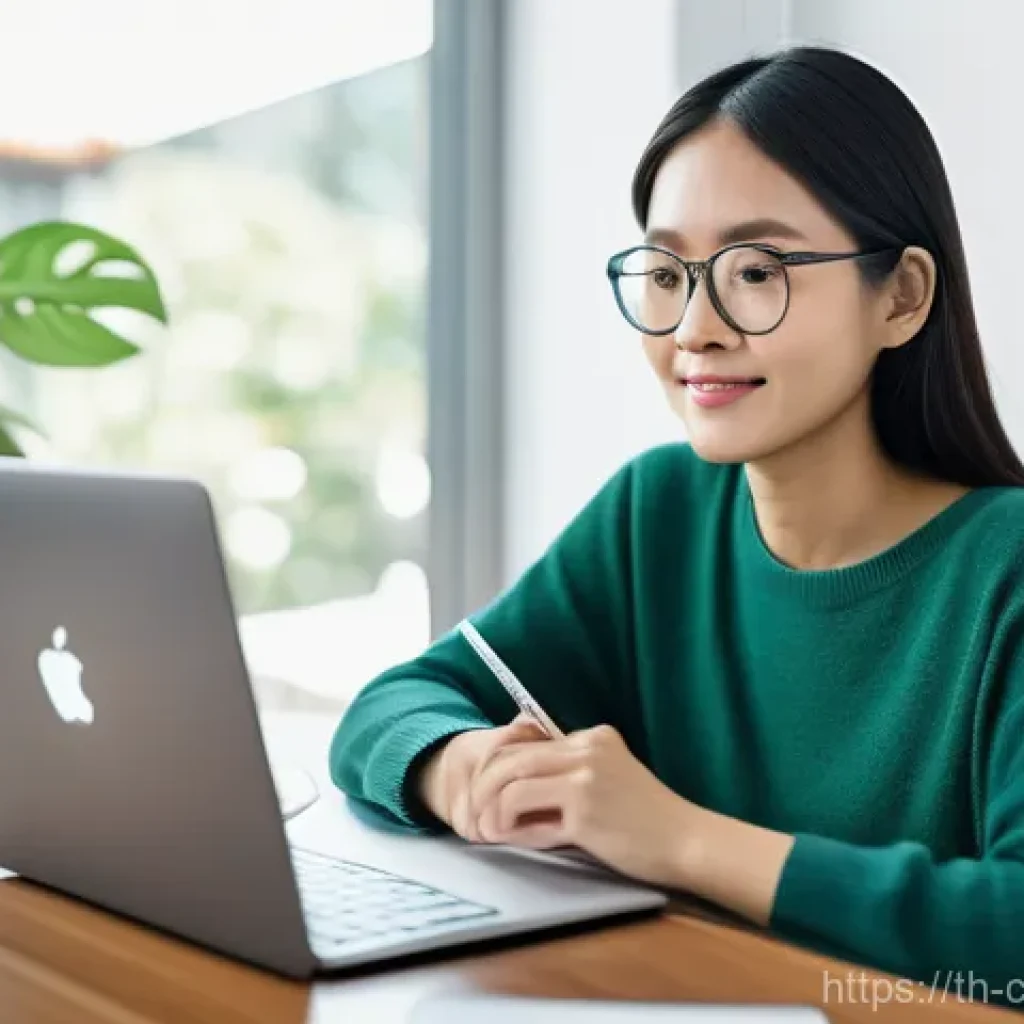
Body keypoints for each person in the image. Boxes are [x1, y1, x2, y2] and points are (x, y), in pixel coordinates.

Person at [329, 46, 1024, 998]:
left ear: (901, 296)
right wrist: (464, 771)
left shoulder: (1005, 568)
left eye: (757, 269)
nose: (695, 326)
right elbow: (390, 709)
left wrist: (678, 838)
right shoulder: (657, 513)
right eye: (666, 273)